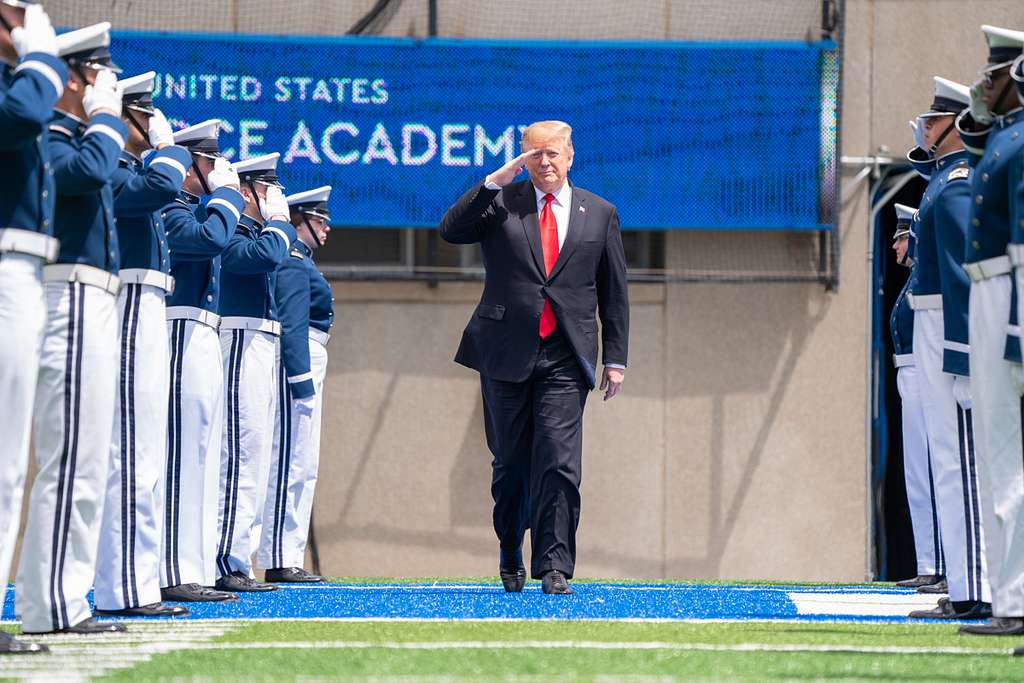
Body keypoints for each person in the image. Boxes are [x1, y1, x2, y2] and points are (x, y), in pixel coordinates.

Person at [439, 120, 629, 594]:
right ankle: (510, 548)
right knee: (510, 462)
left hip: (567, 354)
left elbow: (614, 291)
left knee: (560, 460)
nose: (545, 163)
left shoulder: (599, 213)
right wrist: (493, 182)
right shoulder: (502, 202)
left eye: (553, 154)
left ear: (570, 157)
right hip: (505, 350)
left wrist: (616, 358)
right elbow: (451, 230)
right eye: (535, 155)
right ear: (522, 157)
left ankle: (554, 564)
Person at [15, 22, 128, 635]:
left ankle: (60, 597)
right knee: (71, 459)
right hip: (72, 296)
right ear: (74, 80)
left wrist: (102, 119)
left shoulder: (77, 135)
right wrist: (107, 117)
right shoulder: (56, 136)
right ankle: (54, 603)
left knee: (87, 458)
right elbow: (88, 173)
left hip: (94, 298)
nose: (101, 88)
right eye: (96, 76)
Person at [92, 71, 192, 618]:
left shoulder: (134, 165)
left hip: (146, 295)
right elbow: (158, 188)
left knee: (144, 445)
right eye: (147, 114)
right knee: (131, 444)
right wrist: (168, 147)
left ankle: (135, 579)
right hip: (129, 294)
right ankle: (128, 587)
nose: (155, 123)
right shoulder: (122, 164)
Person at [904, 77, 992, 621]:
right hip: (928, 321)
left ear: (954, 124)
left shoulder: (956, 181)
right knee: (945, 458)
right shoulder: (941, 180)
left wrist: (961, 356)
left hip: (944, 327)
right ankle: (963, 581)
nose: (926, 129)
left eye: (934, 121)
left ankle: (975, 586)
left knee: (960, 459)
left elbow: (962, 276)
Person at [0, 0, 64, 655]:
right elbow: (23, 115)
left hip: (21, 266)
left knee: (11, 459)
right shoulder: (22, 87)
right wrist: (39, 52)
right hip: (4, 264)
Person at [957, 24, 1024, 637]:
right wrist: (981, 115)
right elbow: (986, 165)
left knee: (1009, 460)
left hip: (1008, 291)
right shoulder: (1009, 136)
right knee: (998, 457)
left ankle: (1017, 601)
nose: (985, 81)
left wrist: (1018, 331)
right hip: (992, 289)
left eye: (995, 74)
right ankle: (1012, 599)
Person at [161, 119, 245, 603]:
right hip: (179, 326)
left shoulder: (198, 207)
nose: (217, 170)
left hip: (203, 330)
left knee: (202, 452)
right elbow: (212, 240)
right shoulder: (174, 208)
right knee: (180, 450)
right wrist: (230, 196)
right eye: (209, 162)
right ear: (189, 165)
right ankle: (174, 567)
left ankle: (195, 564)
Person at [215, 152, 296, 592]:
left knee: (255, 453)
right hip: (240, 338)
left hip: (259, 338)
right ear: (246, 192)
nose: (276, 197)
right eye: (268, 189)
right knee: (239, 451)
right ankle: (226, 559)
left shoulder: (255, 230)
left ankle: (235, 556)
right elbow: (263, 257)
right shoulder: (237, 229)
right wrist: (280, 220)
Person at [257, 185, 334, 583]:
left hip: (311, 353)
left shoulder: (303, 260)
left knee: (303, 462)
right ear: (300, 218)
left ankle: (287, 552)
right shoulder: (292, 259)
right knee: (290, 458)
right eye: (319, 219)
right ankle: (279, 556)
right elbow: (293, 322)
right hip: (298, 357)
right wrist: (300, 380)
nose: (325, 228)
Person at [889, 204, 945, 591]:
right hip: (909, 373)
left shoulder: (927, 279)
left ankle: (942, 564)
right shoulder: (914, 281)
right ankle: (928, 561)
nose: (895, 248)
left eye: (900, 239)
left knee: (935, 469)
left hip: (925, 374)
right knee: (917, 474)